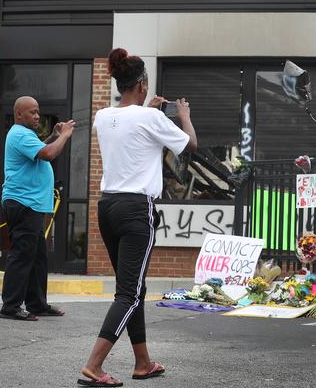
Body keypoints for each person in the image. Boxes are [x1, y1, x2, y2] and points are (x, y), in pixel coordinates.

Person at [78, 49, 197, 387]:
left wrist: (150, 111)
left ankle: (143, 362)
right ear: (143, 83)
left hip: (108, 207)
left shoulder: (103, 116)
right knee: (129, 293)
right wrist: (183, 115)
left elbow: (131, 128)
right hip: (136, 210)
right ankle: (93, 366)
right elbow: (191, 145)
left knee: (133, 289)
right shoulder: (152, 119)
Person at [0, 96, 75, 321]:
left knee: (38, 257)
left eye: (38, 112)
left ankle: (37, 304)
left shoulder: (26, 136)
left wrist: (53, 136)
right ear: (19, 114)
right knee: (22, 254)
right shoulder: (20, 133)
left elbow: (41, 148)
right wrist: (65, 136)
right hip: (23, 203)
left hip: (30, 204)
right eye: (32, 112)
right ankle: (10, 307)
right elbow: (48, 154)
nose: (37, 116)